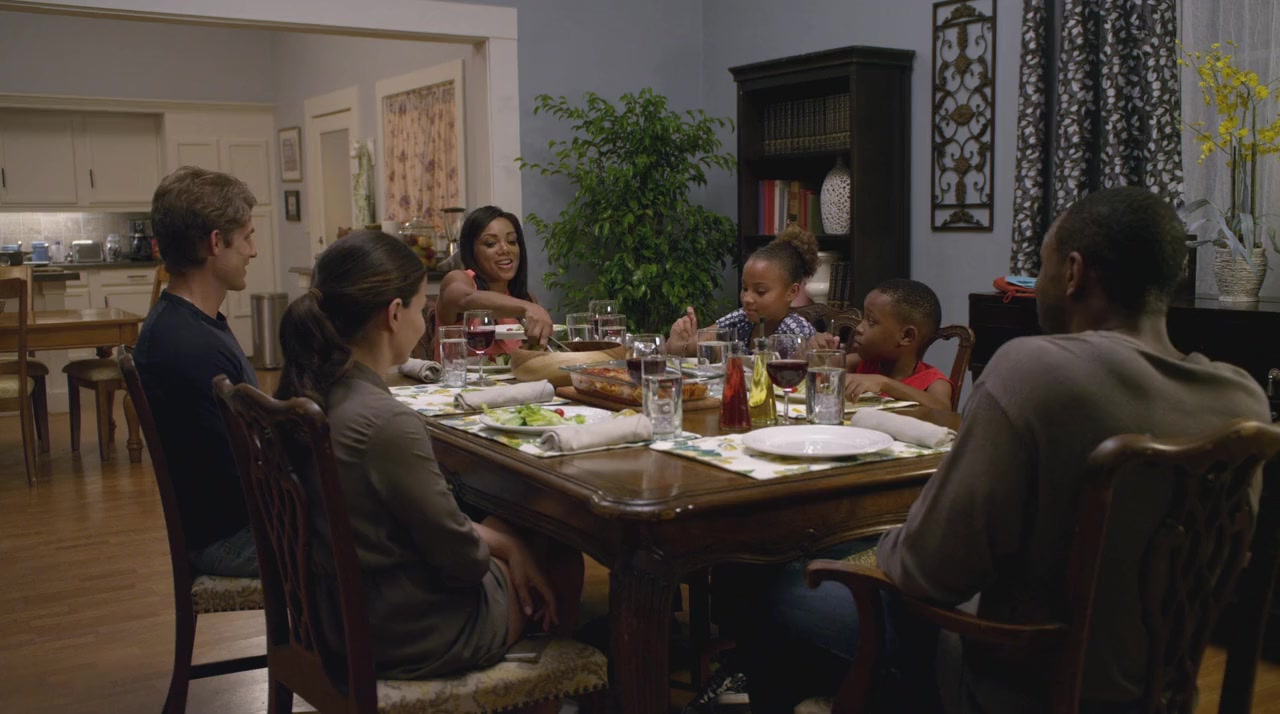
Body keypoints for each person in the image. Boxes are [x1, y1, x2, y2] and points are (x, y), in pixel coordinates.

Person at [724, 186, 1271, 713]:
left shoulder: (1033, 370)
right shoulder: (1241, 400)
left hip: (1013, 682)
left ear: (1073, 273)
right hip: (1155, 686)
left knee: (771, 587)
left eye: (1042, 266)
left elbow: (928, 571)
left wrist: (876, 552)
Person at [275, 230, 584, 684]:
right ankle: (541, 691)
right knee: (556, 549)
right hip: (408, 631)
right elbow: (463, 563)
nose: (424, 321)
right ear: (393, 314)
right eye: (422, 308)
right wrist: (507, 546)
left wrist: (504, 541)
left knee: (513, 531)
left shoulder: (312, 393)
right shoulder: (385, 421)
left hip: (330, 617)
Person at [134, 166, 260, 578]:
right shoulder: (191, 346)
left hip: (227, 526)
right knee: (388, 541)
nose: (254, 251)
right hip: (231, 538)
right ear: (215, 243)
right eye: (247, 237)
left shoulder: (182, 324)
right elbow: (249, 468)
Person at [668, 228, 819, 356]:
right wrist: (680, 341)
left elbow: (790, 372)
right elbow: (699, 342)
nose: (747, 298)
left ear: (792, 292)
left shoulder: (796, 330)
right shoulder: (741, 319)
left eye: (760, 291)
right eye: (745, 288)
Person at [434, 206, 553, 355]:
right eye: (490, 243)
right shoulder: (459, 279)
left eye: (511, 241)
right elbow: (465, 299)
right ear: (472, 251)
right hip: (458, 371)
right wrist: (528, 308)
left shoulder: (525, 298)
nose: (505, 249)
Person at [841, 278, 954, 411]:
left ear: (907, 336)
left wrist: (885, 384)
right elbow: (824, 373)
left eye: (871, 321)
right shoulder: (859, 363)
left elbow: (943, 409)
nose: (859, 328)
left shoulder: (933, 382)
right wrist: (821, 353)